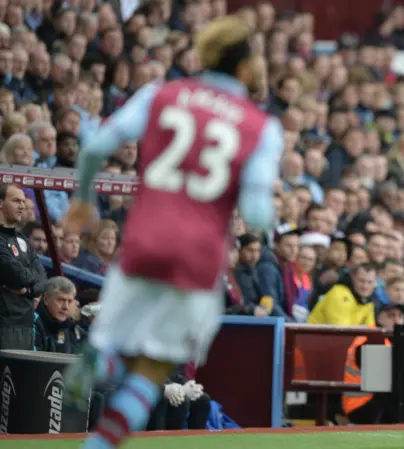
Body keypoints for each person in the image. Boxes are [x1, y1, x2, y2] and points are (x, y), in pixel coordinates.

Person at [60, 15, 283, 449]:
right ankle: (100, 443)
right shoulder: (260, 127)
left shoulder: (160, 95)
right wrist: (259, 215)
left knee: (115, 346)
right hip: (199, 262)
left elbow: (96, 147)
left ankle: (100, 360)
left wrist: (84, 198)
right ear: (244, 68)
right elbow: (256, 211)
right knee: (155, 371)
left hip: (145, 241)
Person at [0, 183, 47, 350]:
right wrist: (30, 281)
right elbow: (16, 275)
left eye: (23, 201)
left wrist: (27, 290)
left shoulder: (23, 240)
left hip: (26, 324)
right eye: (16, 201)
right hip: (4, 323)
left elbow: (42, 280)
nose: (22, 206)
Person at [342, 303, 403, 424]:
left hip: (367, 402)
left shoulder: (386, 338)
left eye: (400, 316)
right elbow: (382, 380)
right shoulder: (372, 339)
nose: (396, 320)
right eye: (391, 315)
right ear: (380, 318)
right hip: (360, 405)